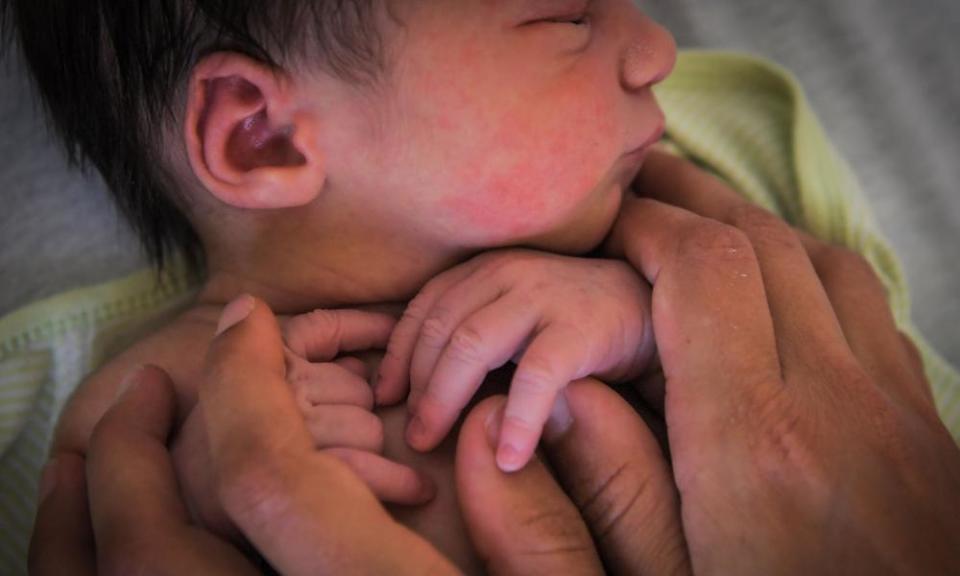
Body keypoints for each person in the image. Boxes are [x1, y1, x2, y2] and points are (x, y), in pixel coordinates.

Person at [31, 158, 960, 572]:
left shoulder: (661, 214)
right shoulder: (158, 374)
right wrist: (205, 475)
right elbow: (100, 486)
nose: (654, 50)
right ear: (264, 135)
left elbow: (803, 400)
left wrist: (640, 322)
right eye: (565, 18)